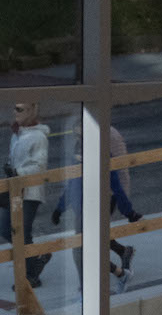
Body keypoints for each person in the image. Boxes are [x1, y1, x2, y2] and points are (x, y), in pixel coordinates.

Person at [52, 124, 143, 290]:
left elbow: (117, 184)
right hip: (82, 209)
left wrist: (129, 212)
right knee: (86, 247)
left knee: (85, 249)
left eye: (80, 135)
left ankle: (104, 279)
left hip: (99, 204)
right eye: (76, 135)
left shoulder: (102, 152)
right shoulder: (78, 155)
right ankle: (119, 270)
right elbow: (71, 185)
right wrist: (60, 208)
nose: (77, 139)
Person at [3, 100, 52, 291]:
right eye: (14, 107)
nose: (15, 111)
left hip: (30, 191)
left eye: (20, 109)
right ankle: (36, 259)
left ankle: (30, 275)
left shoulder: (39, 137)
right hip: (14, 189)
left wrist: (18, 172)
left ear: (32, 111)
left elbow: (39, 165)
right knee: (6, 228)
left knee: (21, 230)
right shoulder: (17, 134)